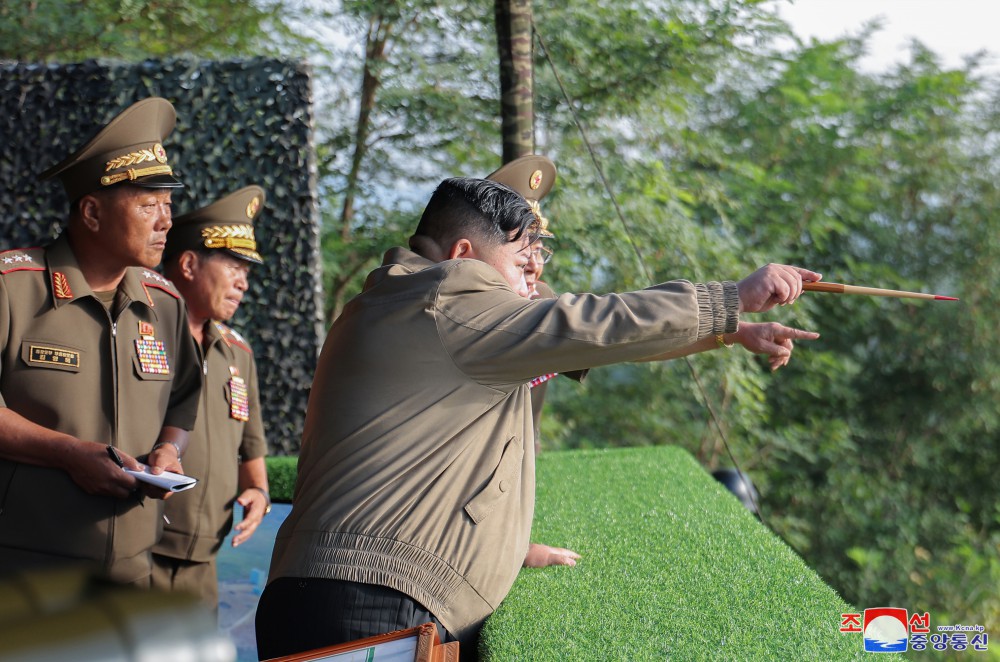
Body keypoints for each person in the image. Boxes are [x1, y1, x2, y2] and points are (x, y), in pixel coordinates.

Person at [255, 177, 821, 660]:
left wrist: (726, 329)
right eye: (523, 262)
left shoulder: (400, 301)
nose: (533, 280)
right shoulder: (446, 297)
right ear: (460, 257)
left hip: (343, 599)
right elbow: (585, 325)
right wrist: (732, 298)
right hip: (369, 607)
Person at [0, 97, 202, 585]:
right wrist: (66, 453)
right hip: (23, 571)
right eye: (148, 204)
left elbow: (183, 403)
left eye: (169, 204)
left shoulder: (164, 304)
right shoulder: (13, 289)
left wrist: (169, 452)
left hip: (133, 574)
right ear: (91, 211)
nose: (166, 221)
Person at [152, 186, 271, 609]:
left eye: (247, 270)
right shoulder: (136, 332)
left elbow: (251, 450)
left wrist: (258, 492)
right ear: (187, 263)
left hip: (203, 565)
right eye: (234, 265)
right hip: (136, 553)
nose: (243, 282)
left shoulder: (238, 354)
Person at [487, 155, 582, 570]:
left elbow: (618, 338)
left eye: (540, 249)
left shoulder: (539, 299)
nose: (535, 265)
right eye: (523, 251)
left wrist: (725, 330)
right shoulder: (464, 311)